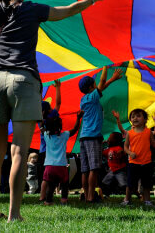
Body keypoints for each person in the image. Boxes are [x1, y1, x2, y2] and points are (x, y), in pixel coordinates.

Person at [0, 0, 109, 221]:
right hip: (24, 81)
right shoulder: (32, 9)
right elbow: (67, 10)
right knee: (18, 152)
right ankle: (13, 215)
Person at [79, 67, 123, 203]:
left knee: (85, 170)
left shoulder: (84, 99)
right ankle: (91, 197)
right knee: (94, 168)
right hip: (92, 137)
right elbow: (102, 82)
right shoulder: (91, 97)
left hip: (84, 137)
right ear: (91, 86)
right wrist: (105, 65)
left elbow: (102, 86)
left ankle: (86, 195)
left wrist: (111, 79)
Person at [122, 109, 155, 206]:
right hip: (133, 162)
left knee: (146, 183)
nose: (135, 118)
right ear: (131, 120)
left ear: (145, 120)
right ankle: (127, 200)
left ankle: (147, 200)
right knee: (130, 183)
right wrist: (130, 153)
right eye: (133, 117)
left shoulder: (148, 132)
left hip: (146, 162)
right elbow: (125, 146)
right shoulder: (129, 133)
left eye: (138, 116)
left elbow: (153, 142)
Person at [43, 110, 83, 205]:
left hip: (49, 166)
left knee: (51, 186)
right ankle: (64, 200)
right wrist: (78, 118)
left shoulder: (46, 136)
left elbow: (42, 126)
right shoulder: (64, 135)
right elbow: (75, 129)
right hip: (61, 166)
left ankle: (48, 201)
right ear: (60, 125)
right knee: (64, 184)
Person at [39, 80, 61, 201]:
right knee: (49, 175)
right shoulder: (51, 118)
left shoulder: (39, 120)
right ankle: (45, 195)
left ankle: (43, 195)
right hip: (52, 151)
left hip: (43, 150)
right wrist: (58, 88)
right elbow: (58, 103)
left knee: (45, 175)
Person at [101, 132, 127, 197]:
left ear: (115, 140)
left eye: (110, 137)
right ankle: (107, 194)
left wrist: (121, 153)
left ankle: (134, 194)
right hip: (112, 171)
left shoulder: (118, 148)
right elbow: (101, 153)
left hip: (119, 170)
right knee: (105, 182)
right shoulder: (108, 149)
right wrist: (102, 144)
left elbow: (122, 153)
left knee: (124, 185)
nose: (108, 138)